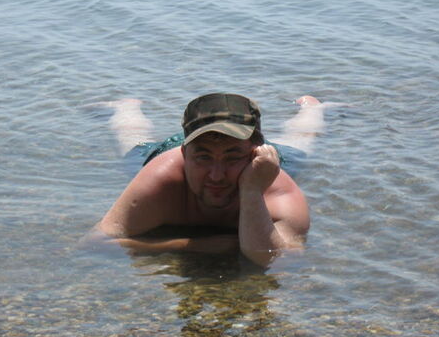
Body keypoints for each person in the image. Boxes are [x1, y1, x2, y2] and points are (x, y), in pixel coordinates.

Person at [98, 93, 318, 267]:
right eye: (204, 158)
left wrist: (251, 191)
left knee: (299, 143)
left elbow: (278, 260)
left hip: (249, 155)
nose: (216, 175)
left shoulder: (278, 189)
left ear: (255, 153)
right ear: (185, 154)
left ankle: (312, 108)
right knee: (134, 141)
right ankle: (126, 107)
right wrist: (191, 245)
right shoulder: (161, 176)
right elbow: (96, 244)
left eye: (232, 158)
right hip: (175, 150)